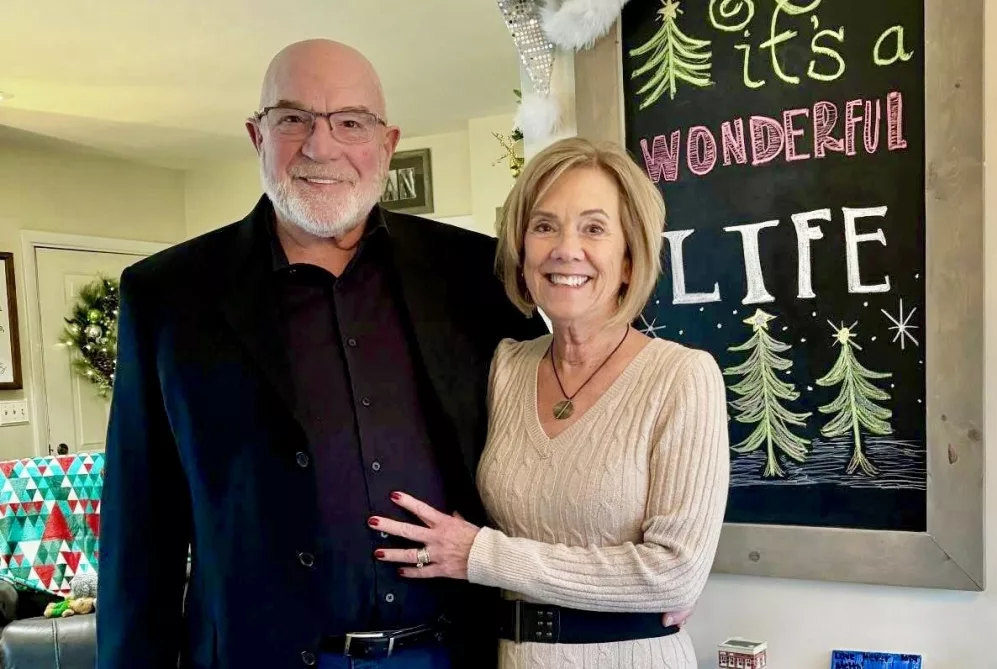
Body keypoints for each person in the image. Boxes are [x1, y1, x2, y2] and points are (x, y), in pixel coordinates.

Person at [97, 39, 547, 669]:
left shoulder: (475, 272)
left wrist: (622, 586)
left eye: (350, 122)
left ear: (386, 144)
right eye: (293, 119)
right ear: (258, 136)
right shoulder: (169, 296)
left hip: (450, 652)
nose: (321, 145)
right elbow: (139, 529)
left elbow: (564, 414)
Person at [373, 137, 731, 668]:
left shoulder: (681, 377)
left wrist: (481, 556)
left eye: (593, 228)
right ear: (522, 253)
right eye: (544, 226)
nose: (566, 248)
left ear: (630, 259)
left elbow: (674, 572)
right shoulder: (504, 368)